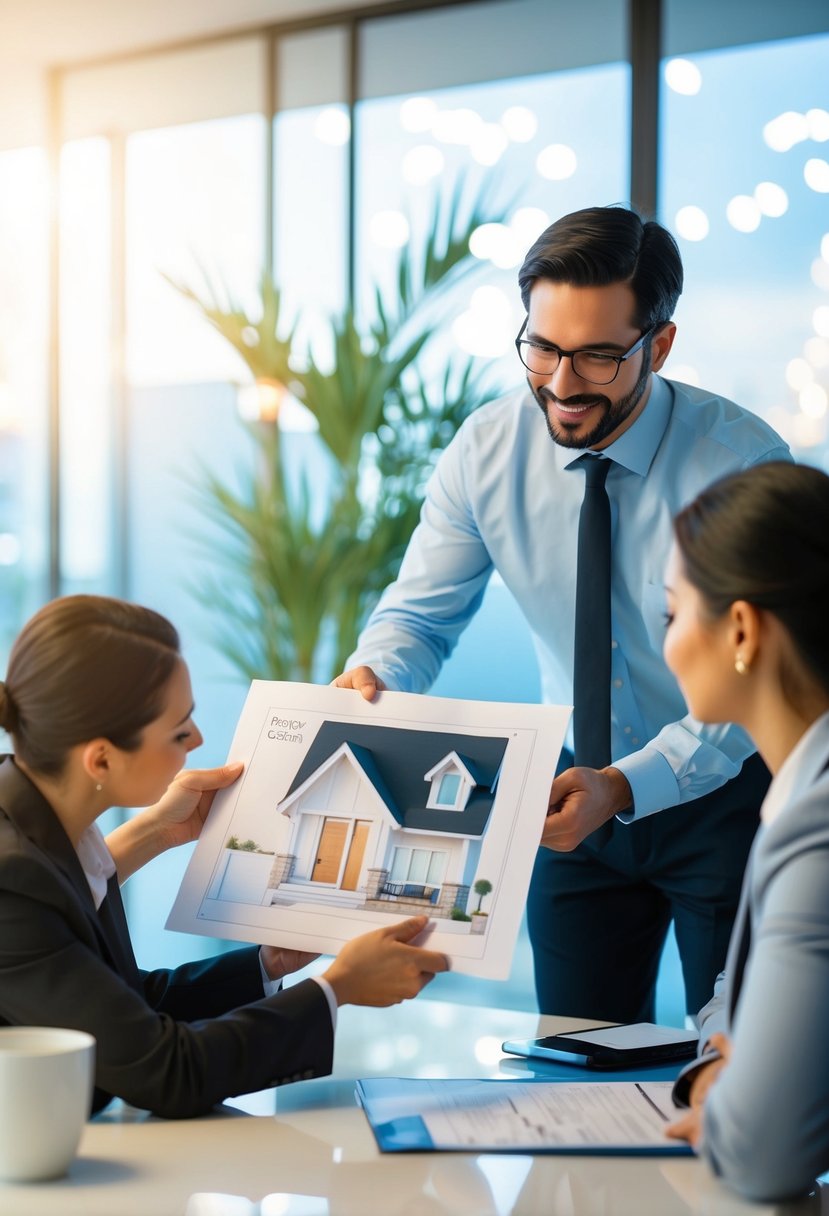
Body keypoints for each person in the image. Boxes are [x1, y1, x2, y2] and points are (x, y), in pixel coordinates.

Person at [335, 205, 791, 1023]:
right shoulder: (485, 449)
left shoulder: (740, 462)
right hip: (570, 799)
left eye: (595, 355)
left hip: (724, 795)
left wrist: (624, 785)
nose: (559, 382)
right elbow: (420, 614)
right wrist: (378, 674)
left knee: (732, 1058)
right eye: (541, 347)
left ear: (658, 345)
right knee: (572, 1058)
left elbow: (752, 674)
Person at [0, 595, 448, 1119]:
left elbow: (123, 1008)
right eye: (179, 729)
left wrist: (267, 965)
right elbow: (169, 1069)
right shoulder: (15, 881)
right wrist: (337, 988)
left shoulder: (52, 835)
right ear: (100, 758)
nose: (199, 738)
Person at [656, 461, 829, 1202]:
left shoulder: (817, 828)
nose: (664, 642)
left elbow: (758, 1155)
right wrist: (726, 1062)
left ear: (739, 629)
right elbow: (732, 994)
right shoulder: (797, 786)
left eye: (671, 614)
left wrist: (719, 1101)